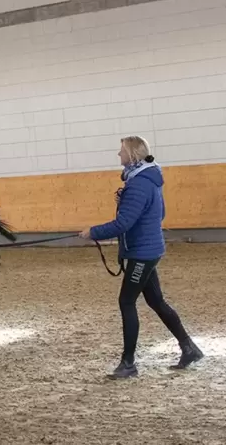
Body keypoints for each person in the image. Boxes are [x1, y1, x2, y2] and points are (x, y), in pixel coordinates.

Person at [79, 135, 203, 379]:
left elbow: (123, 223)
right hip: (148, 250)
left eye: (121, 151)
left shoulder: (138, 184)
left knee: (126, 301)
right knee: (156, 301)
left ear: (132, 154)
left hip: (142, 253)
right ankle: (189, 348)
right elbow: (159, 212)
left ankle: (128, 363)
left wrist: (92, 232)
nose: (118, 155)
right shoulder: (149, 180)